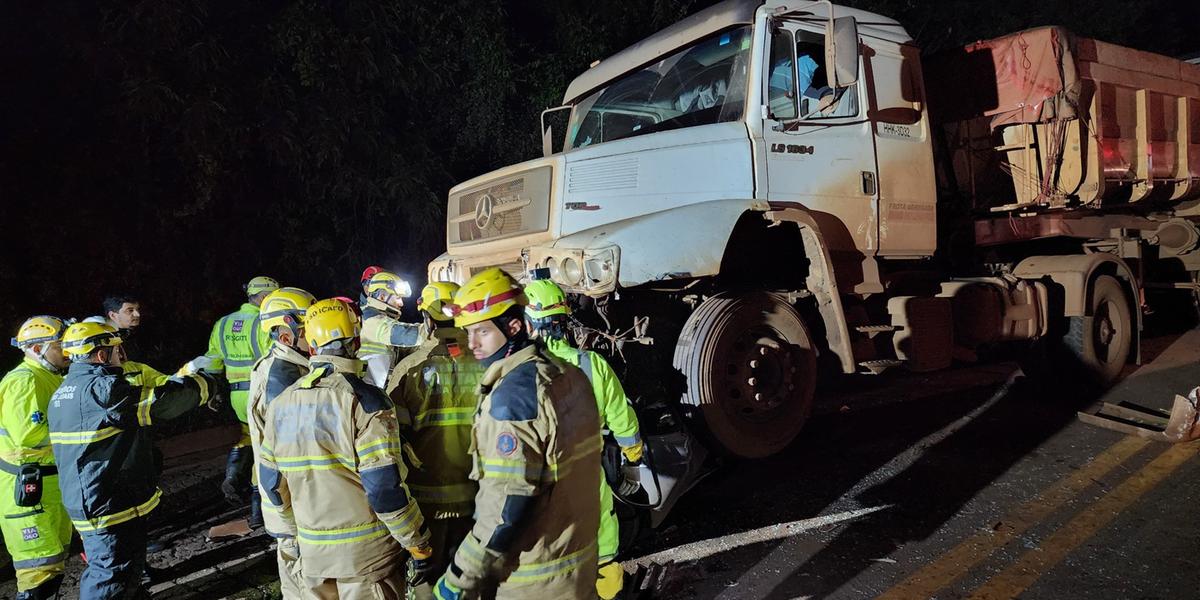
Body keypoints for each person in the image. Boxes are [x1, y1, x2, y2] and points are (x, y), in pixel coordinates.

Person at [433, 268, 601, 600]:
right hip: (577, 567)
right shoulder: (567, 375)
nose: (472, 344)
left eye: (482, 331)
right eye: (468, 332)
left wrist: (459, 578)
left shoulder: (512, 400)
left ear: (512, 327)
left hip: (532, 581)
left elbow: (505, 507)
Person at [259, 298, 433, 599]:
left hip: (314, 562)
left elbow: (271, 483)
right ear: (355, 340)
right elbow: (384, 490)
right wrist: (418, 543)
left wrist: (299, 534)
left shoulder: (282, 404)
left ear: (312, 347)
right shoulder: (366, 402)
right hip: (368, 563)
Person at [49, 321, 221, 599]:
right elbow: (160, 403)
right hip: (106, 502)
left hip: (101, 496)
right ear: (102, 355)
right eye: (117, 349)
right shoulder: (102, 391)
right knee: (110, 577)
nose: (122, 355)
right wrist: (205, 384)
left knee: (124, 571)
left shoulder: (68, 389)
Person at [523, 278, 644, 600]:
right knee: (604, 559)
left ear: (530, 325)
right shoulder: (594, 366)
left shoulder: (519, 376)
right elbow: (624, 421)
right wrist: (634, 462)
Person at [386, 282, 485, 600]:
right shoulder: (487, 364)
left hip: (426, 501)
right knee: (472, 580)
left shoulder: (408, 371)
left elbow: (392, 443)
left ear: (427, 319)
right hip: (476, 496)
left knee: (429, 585)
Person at [247, 287, 315, 597]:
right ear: (286, 334)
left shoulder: (290, 366)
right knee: (302, 579)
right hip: (292, 503)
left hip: (289, 500)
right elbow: (293, 450)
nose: (315, 336)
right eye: (308, 328)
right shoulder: (281, 377)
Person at [0, 316, 73, 600]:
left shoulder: (49, 377)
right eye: (60, 345)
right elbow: (29, 434)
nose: (66, 351)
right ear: (36, 348)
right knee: (38, 576)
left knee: (51, 568)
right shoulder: (25, 380)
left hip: (48, 485)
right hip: (29, 489)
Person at [201, 275, 278, 506]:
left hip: (236, 395)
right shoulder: (264, 323)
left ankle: (233, 476)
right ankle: (258, 503)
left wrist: (213, 390)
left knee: (247, 435)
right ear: (264, 297)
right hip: (261, 392)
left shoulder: (223, 323)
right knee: (265, 445)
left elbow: (213, 361)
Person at [358, 270, 422, 389]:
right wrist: (434, 327)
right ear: (382, 297)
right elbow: (404, 335)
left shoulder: (379, 318)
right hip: (371, 393)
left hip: (376, 390)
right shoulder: (372, 321)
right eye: (398, 298)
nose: (401, 303)